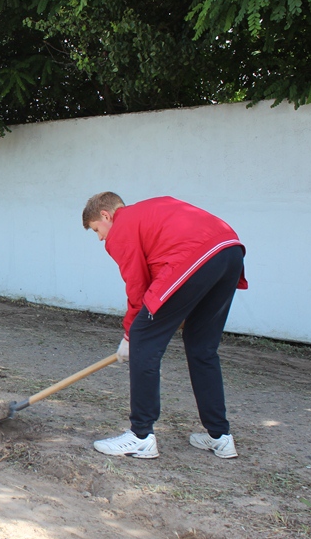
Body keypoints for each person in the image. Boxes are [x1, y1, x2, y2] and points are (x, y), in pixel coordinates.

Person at [82, 192, 247, 460]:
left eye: (96, 230)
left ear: (105, 215)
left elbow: (137, 285)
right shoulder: (154, 210)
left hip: (195, 256)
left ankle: (141, 437)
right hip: (229, 250)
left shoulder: (122, 226)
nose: (101, 237)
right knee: (201, 347)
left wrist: (130, 335)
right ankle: (220, 437)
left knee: (143, 340)